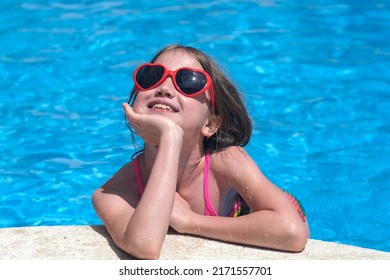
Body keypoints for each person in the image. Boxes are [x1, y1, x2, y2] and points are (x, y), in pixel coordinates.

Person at [92, 44, 309, 259]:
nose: (164, 88)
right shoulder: (116, 190)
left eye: (188, 82)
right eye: (152, 76)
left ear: (211, 124)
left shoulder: (227, 162)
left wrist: (190, 221)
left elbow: (292, 231)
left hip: (265, 209)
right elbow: (143, 247)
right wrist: (170, 138)